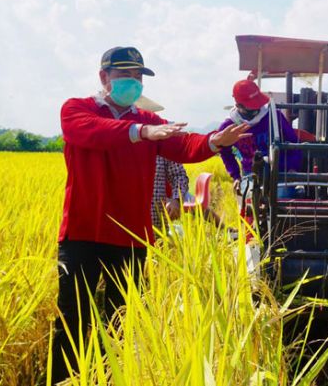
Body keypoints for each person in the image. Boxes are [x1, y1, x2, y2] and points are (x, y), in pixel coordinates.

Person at [52, 46, 249, 382]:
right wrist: (139, 133)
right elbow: (91, 132)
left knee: (121, 319)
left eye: (138, 76)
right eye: (125, 75)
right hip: (83, 233)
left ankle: (109, 378)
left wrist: (214, 141)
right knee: (73, 317)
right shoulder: (77, 110)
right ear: (104, 78)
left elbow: (183, 145)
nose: (134, 82)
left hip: (129, 236)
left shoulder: (148, 120)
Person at [218, 78, 301, 193]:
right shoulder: (229, 126)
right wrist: (236, 176)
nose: (256, 108)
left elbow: (294, 143)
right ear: (238, 105)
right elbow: (224, 151)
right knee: (250, 198)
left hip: (281, 173)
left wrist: (293, 167)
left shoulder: (274, 117)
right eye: (251, 106)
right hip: (250, 175)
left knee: (283, 198)